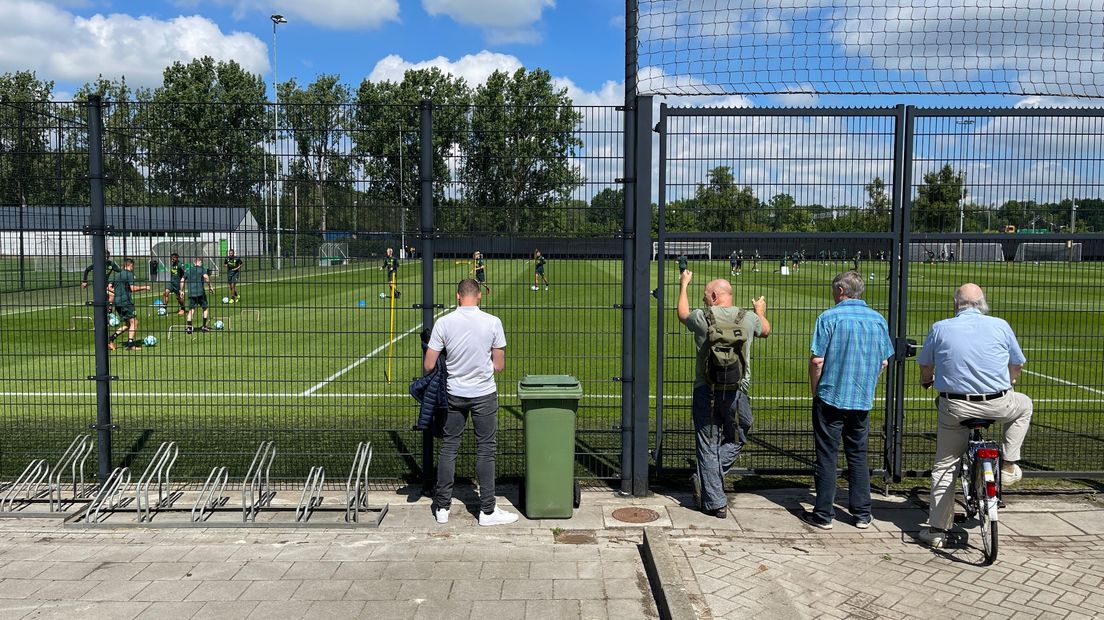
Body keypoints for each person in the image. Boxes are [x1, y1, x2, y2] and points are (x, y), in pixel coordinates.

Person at [915, 283, 1033, 549]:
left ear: (956, 304)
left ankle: (937, 530)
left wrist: (927, 381)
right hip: (998, 402)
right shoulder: (1000, 325)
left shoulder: (941, 327)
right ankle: (1009, 463)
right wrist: (1010, 382)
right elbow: (1017, 363)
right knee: (1024, 405)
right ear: (983, 304)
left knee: (945, 465)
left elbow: (925, 365)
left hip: (956, 407)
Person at [802, 271, 895, 530]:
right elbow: (884, 361)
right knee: (858, 455)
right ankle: (862, 513)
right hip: (861, 398)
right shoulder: (878, 320)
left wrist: (815, 389)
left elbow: (817, 360)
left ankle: (823, 514)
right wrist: (868, 382)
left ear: (841, 291)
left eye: (835, 290)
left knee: (827, 455)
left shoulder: (829, 317)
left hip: (831, 396)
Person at [677, 270, 771, 518]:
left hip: (705, 390)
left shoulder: (703, 317)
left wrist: (684, 285)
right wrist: (760, 309)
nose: (704, 300)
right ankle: (709, 485)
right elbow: (766, 331)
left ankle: (715, 501)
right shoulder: (748, 318)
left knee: (707, 445)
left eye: (705, 296)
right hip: (737, 392)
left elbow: (682, 314)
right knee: (739, 436)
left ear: (715, 296)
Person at [423, 279, 516, 526]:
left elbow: (429, 364)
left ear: (457, 296)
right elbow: (499, 366)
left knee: (449, 447)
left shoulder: (444, 322)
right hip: (484, 393)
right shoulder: (492, 322)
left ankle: (442, 506)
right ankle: (487, 510)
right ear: (479, 297)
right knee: (486, 448)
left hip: (455, 393)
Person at [107, 258, 151, 351]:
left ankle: (110, 339)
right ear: (130, 265)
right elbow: (132, 288)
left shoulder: (117, 275)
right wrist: (145, 287)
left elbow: (109, 287)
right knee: (134, 322)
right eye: (132, 266)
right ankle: (130, 344)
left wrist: (118, 292)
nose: (132, 268)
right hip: (126, 302)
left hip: (117, 302)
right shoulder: (129, 274)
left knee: (128, 324)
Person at [182, 257, 214, 334]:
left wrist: (181, 291)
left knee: (191, 310)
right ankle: (204, 327)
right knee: (205, 308)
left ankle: (189, 328)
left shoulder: (188, 270)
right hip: (200, 293)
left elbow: (182, 280)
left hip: (191, 293)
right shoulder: (201, 269)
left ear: (194, 263)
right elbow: (206, 277)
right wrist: (210, 286)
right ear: (200, 262)